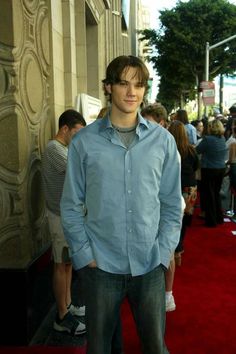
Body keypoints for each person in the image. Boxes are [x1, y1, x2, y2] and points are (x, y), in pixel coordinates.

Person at [60, 55, 183, 354]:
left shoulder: (163, 141)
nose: (132, 92)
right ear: (108, 87)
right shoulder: (84, 142)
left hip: (149, 265)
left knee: (155, 346)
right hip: (100, 266)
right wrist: (84, 254)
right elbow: (71, 204)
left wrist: (163, 250)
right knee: (100, 348)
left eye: (139, 84)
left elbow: (171, 203)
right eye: (124, 83)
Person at [42, 109, 87, 335]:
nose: (79, 138)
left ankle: (67, 305)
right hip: (59, 216)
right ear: (65, 129)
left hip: (66, 215)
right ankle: (61, 315)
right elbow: (78, 172)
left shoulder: (65, 148)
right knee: (61, 264)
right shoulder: (53, 148)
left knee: (68, 263)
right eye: (77, 133)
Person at [196, 119, 227, 227]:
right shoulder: (222, 138)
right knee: (216, 193)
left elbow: (197, 150)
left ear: (211, 127)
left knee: (209, 195)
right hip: (221, 169)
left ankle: (211, 221)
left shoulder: (207, 139)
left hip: (209, 169)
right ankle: (219, 218)